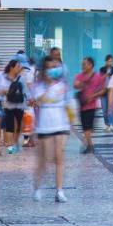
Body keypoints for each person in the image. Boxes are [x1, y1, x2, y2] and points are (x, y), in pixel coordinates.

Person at [30, 55, 72, 202]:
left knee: (59, 157)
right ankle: (37, 187)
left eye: (55, 67)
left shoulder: (63, 85)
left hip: (61, 125)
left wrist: (71, 122)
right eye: (49, 68)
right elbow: (39, 100)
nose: (52, 70)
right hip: (45, 126)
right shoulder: (39, 86)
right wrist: (48, 84)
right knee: (45, 159)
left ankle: (59, 191)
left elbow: (69, 103)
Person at [72, 57, 108, 155]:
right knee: (86, 128)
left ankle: (89, 145)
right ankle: (89, 145)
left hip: (91, 106)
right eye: (82, 64)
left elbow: (104, 89)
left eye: (84, 64)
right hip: (82, 105)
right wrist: (80, 84)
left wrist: (94, 96)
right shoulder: (79, 76)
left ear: (90, 65)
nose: (82, 66)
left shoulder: (97, 77)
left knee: (88, 128)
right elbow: (75, 85)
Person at [1, 59, 29, 154]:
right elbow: (1, 89)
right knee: (9, 127)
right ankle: (10, 147)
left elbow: (25, 91)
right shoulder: (4, 77)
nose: (19, 68)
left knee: (19, 126)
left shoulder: (22, 78)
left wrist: (30, 99)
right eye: (17, 66)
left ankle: (15, 142)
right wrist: (5, 91)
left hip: (20, 105)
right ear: (11, 67)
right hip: (8, 105)